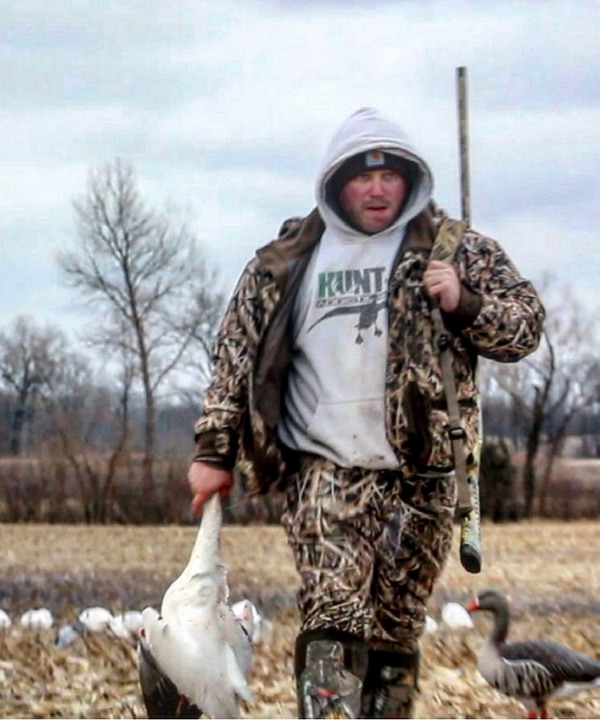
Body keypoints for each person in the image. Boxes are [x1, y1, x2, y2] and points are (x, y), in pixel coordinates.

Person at [187, 107, 543, 718]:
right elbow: (234, 354)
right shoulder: (287, 258)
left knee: (396, 627)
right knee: (333, 609)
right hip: (323, 467)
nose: (376, 189)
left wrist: (464, 301)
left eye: (389, 177)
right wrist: (213, 451)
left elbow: (525, 329)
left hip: (425, 475)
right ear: (335, 182)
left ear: (409, 181)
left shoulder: (453, 248)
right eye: (360, 176)